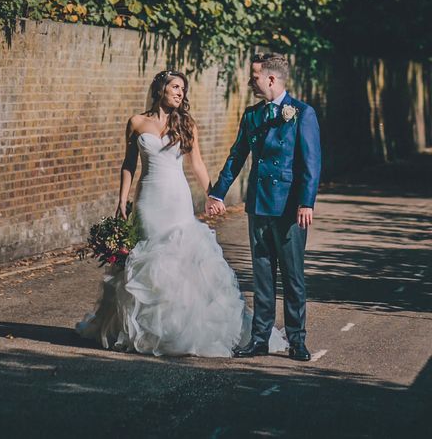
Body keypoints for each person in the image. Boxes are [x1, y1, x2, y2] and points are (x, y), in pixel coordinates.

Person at [76, 70, 286, 357]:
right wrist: (121, 201)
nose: (180, 93)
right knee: (148, 259)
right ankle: (141, 329)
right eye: (175, 87)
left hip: (177, 199)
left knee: (179, 259)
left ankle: (177, 331)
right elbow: (128, 164)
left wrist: (214, 194)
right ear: (160, 89)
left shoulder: (186, 123)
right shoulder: (136, 122)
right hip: (148, 199)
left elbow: (197, 164)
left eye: (182, 89)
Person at [207, 53, 321, 362]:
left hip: (289, 210)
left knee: (293, 277)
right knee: (262, 275)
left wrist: (306, 202)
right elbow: (236, 157)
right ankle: (260, 339)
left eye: (254, 77)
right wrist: (218, 193)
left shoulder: (302, 113)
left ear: (271, 79)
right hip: (259, 205)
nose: (250, 82)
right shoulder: (252, 115)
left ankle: (297, 340)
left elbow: (311, 164)